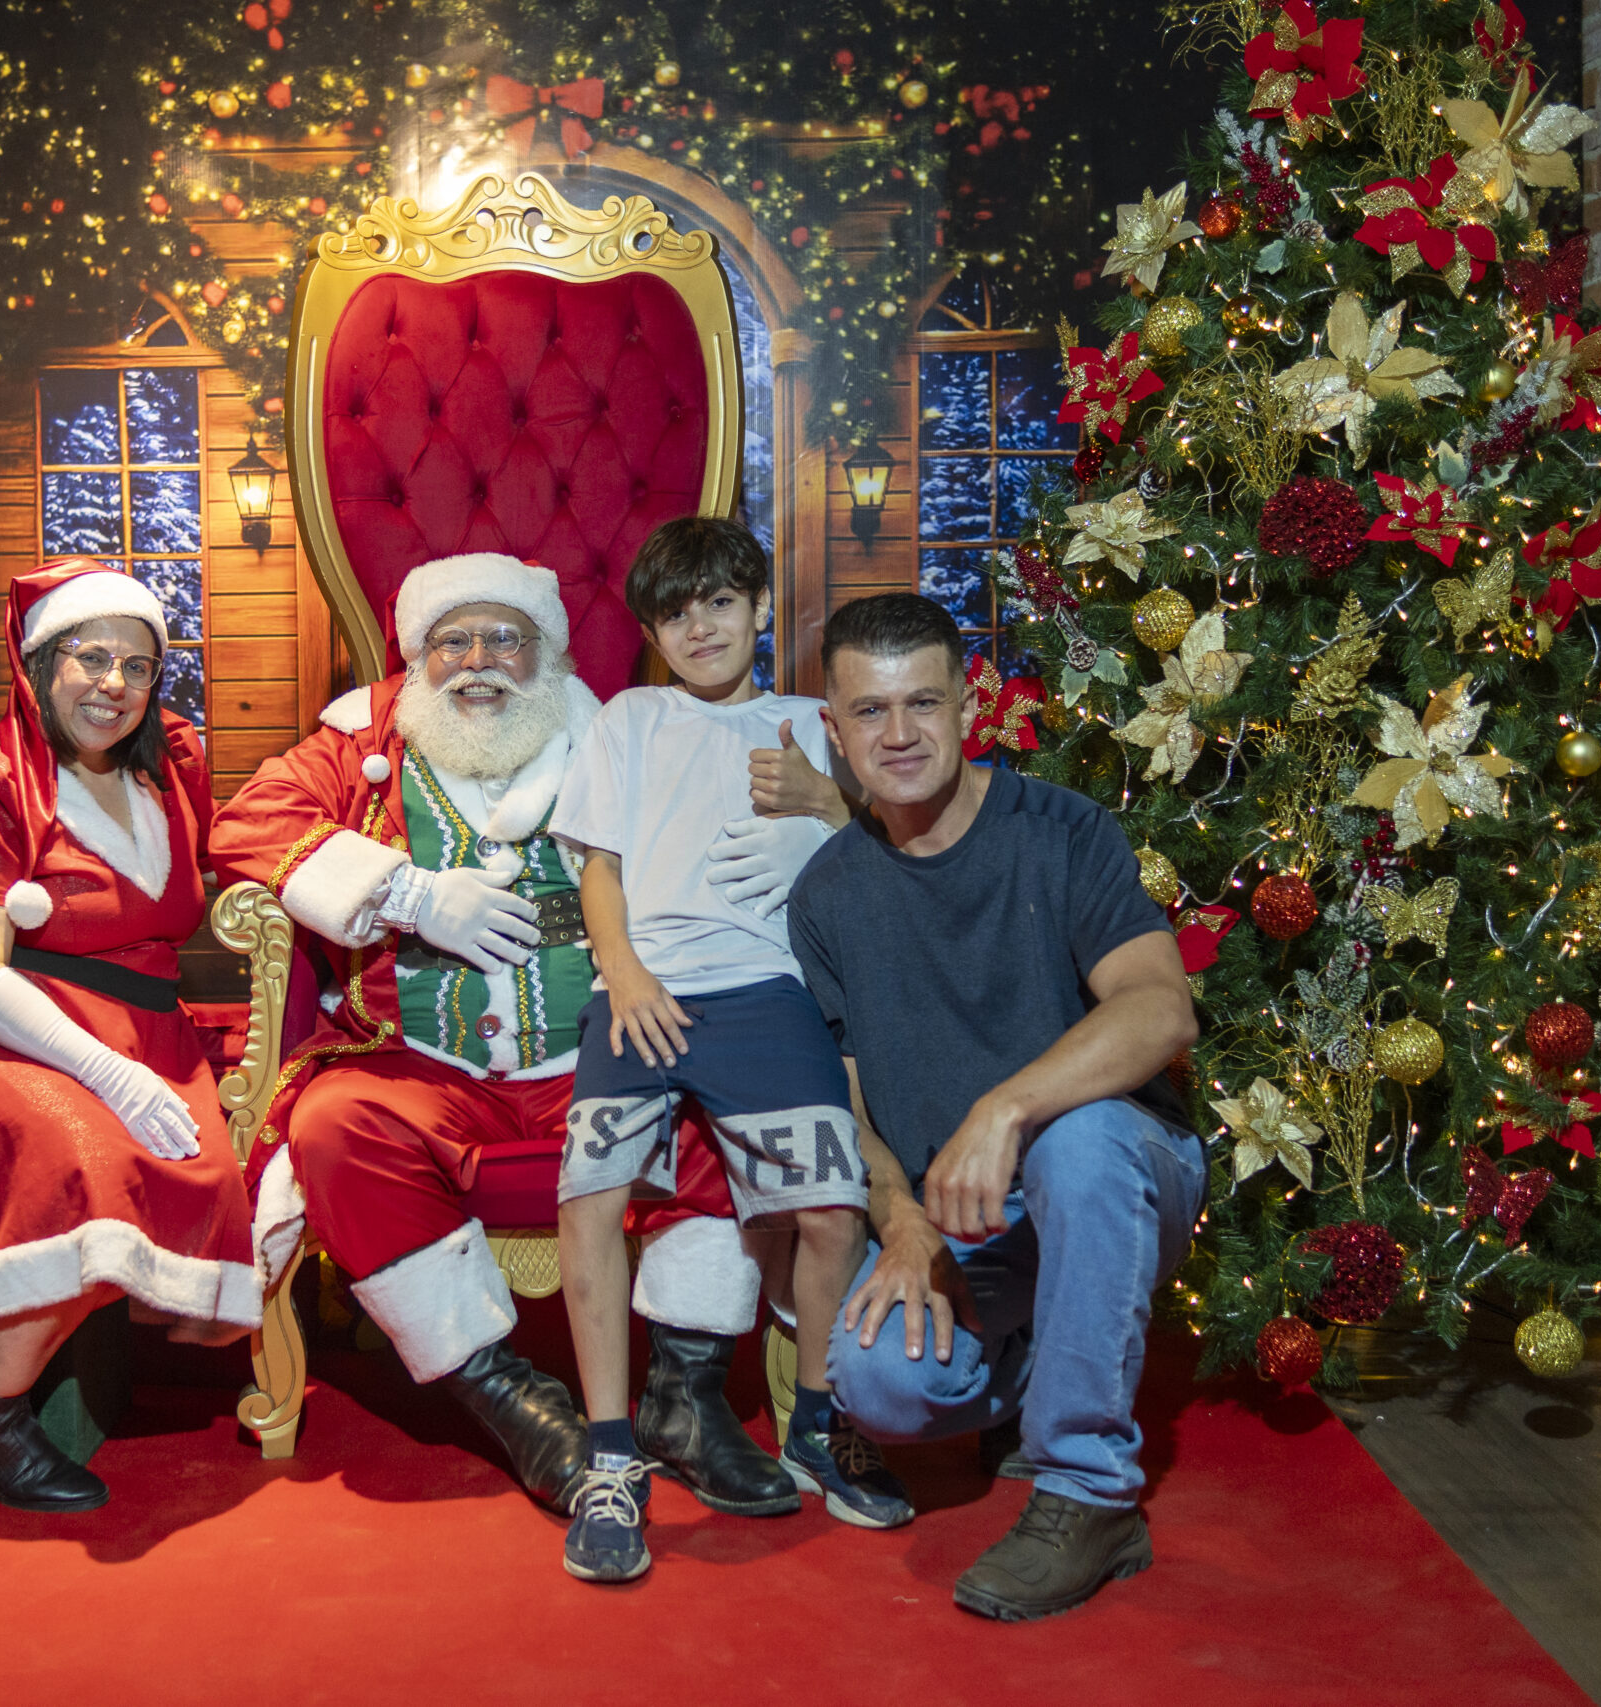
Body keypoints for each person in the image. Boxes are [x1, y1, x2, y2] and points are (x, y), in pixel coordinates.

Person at [209, 552, 807, 1516]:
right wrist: (409, 895)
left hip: (596, 1054)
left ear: (548, 654)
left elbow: (728, 803)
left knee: (711, 1108)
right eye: (453, 640)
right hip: (419, 1065)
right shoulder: (362, 741)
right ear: (417, 656)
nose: (479, 661)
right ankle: (510, 1399)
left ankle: (686, 1397)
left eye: (505, 639)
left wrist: (811, 827)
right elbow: (247, 821)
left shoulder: (615, 731)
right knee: (333, 1129)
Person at [788, 592, 1204, 1621]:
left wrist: (1005, 1109)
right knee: (879, 1383)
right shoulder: (826, 893)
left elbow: (1161, 1009)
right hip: (965, 1215)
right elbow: (849, 1103)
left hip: (1116, 1177)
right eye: (870, 711)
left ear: (968, 706)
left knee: (1081, 1140)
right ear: (833, 730)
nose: (898, 734)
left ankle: (1088, 1492)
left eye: (922, 703)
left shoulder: (1061, 830)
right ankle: (1038, 1363)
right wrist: (899, 1217)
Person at [0, 558, 261, 1513]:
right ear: (40, 665)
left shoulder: (174, 766)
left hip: (146, 1030)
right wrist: (109, 1077)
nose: (113, 683)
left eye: (136, 664)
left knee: (202, 1175)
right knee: (81, 1154)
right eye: (89, 657)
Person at [549, 517, 887, 1584]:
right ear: (653, 633)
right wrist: (625, 973)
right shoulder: (630, 719)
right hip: (642, 987)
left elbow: (885, 863)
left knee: (833, 1211)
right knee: (588, 1197)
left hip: (765, 990)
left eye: (720, 602)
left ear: (758, 608)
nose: (700, 627)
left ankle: (816, 1424)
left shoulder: (811, 723)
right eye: (674, 612)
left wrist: (827, 801)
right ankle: (612, 1457)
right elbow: (597, 867)